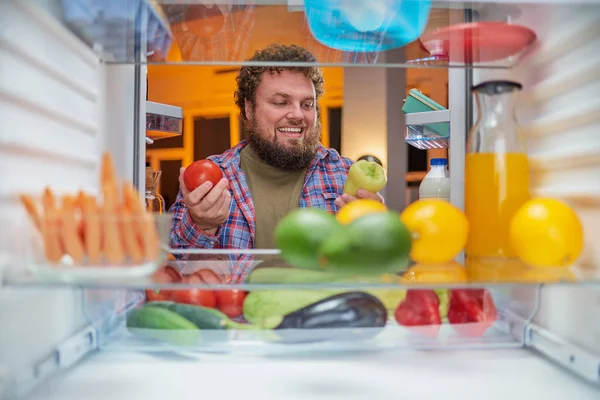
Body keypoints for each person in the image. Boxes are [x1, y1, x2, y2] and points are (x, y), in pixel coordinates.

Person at [169, 44, 384, 275]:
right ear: (249, 108)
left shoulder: (345, 175)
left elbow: (376, 269)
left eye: (307, 104)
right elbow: (179, 274)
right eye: (281, 102)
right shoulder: (212, 179)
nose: (298, 115)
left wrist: (375, 233)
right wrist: (202, 225)